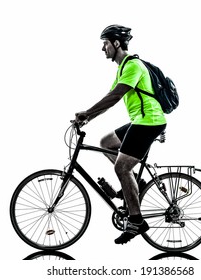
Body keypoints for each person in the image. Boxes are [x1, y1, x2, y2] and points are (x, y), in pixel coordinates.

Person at [75, 24, 167, 244]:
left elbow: (116, 96)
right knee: (106, 142)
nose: (102, 48)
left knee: (121, 166)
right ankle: (135, 182)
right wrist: (88, 117)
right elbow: (109, 98)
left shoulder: (133, 65)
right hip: (141, 121)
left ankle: (136, 222)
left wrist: (87, 113)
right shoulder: (123, 68)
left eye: (105, 43)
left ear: (116, 43)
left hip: (149, 122)